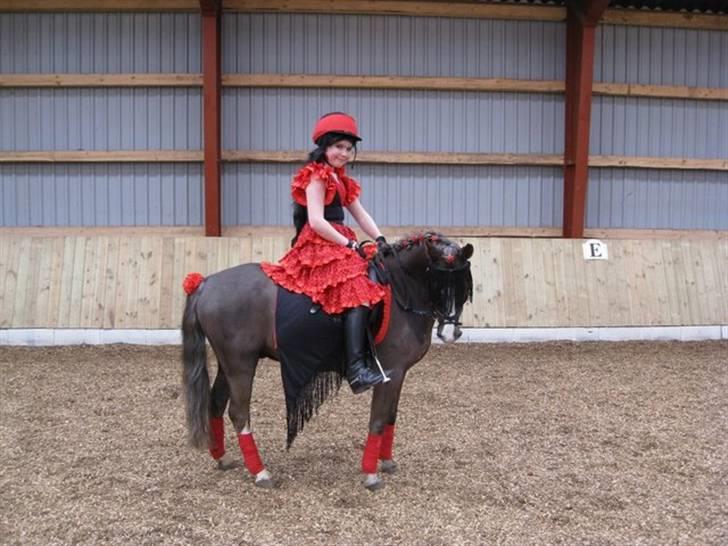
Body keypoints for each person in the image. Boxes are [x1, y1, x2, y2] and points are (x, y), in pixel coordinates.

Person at [261, 112, 391, 394]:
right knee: (357, 288)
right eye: (338, 147)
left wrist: (379, 238)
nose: (343, 153)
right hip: (320, 242)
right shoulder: (316, 176)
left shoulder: (342, 180)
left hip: (342, 239)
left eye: (348, 148)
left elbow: (360, 213)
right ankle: (356, 368)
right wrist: (349, 246)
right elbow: (317, 221)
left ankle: (367, 353)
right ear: (324, 147)